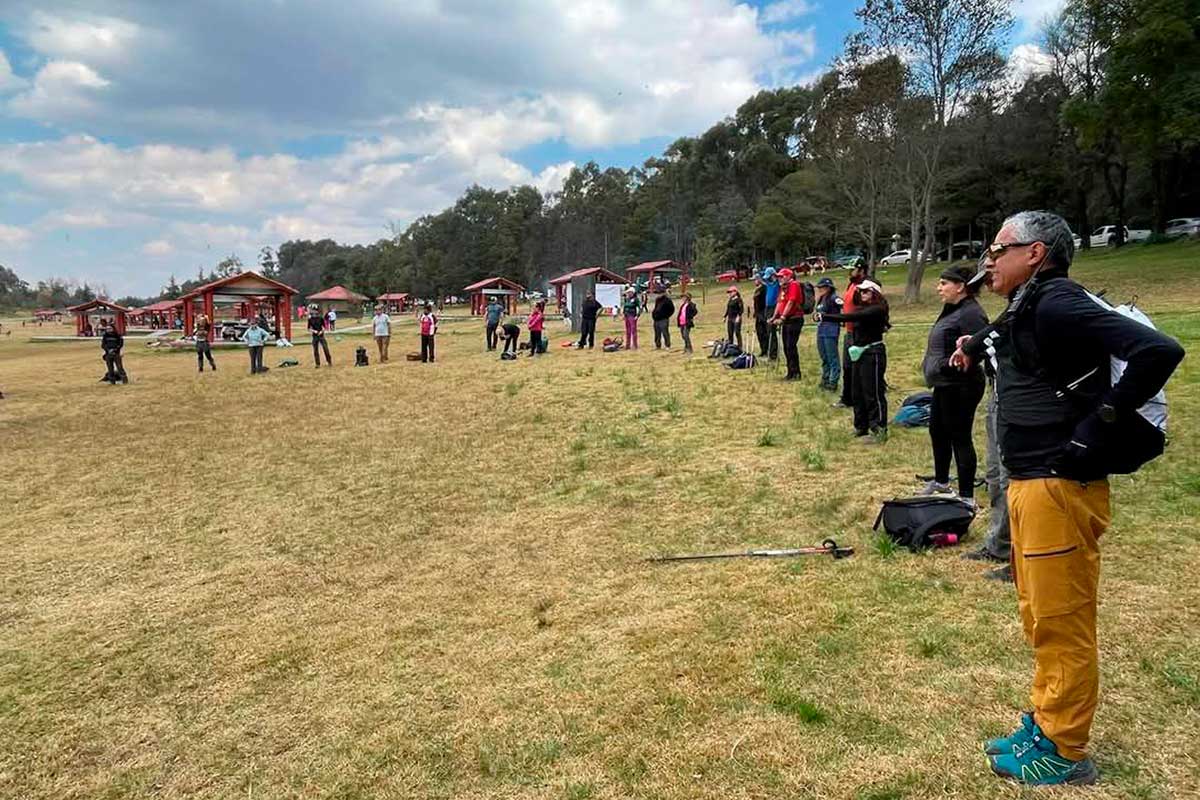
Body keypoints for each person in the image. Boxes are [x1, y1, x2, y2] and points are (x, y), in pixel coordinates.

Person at [952, 211, 1183, 786]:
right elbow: (1004, 335)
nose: (989, 258)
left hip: (1058, 483)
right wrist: (972, 341)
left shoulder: (1057, 300)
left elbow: (1159, 351)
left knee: (1063, 621)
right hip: (1032, 482)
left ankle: (1064, 747)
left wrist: (1099, 422)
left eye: (999, 248)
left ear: (1035, 253)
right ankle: (1045, 720)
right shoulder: (1028, 305)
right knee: (1038, 615)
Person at [919, 264, 989, 498]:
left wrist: (950, 364)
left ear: (960, 287)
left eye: (944, 283)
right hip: (944, 384)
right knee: (937, 431)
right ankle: (941, 483)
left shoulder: (971, 312)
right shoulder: (952, 308)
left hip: (961, 386)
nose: (939, 288)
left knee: (960, 438)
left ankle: (966, 497)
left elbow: (982, 346)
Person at [819, 280, 889, 443]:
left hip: (873, 353)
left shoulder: (877, 309)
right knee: (857, 391)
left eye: (866, 291)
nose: (862, 294)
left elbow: (852, 316)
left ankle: (878, 429)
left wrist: (826, 316)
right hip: (858, 352)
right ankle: (861, 427)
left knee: (873, 392)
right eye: (861, 292)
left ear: (875, 293)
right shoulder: (862, 308)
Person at [836, 264, 868, 408]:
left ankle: (858, 398)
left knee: (857, 368)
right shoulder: (851, 285)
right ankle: (847, 397)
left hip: (858, 333)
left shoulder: (864, 287)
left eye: (853, 270)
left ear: (861, 271)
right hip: (849, 331)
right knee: (847, 367)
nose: (851, 272)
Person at [769, 268, 805, 381]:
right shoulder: (783, 288)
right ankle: (790, 372)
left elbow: (791, 302)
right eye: (779, 277)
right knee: (786, 347)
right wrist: (774, 317)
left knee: (791, 346)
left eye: (782, 276)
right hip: (786, 320)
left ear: (789, 276)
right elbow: (780, 303)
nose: (780, 278)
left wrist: (783, 317)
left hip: (794, 318)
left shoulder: (794, 285)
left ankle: (796, 373)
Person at [814, 277, 841, 391]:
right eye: (819, 287)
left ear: (828, 288)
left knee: (832, 357)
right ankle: (825, 378)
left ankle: (833, 381)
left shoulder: (834, 298)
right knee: (824, 356)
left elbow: (842, 310)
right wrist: (815, 317)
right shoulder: (821, 299)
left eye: (822, 287)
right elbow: (818, 312)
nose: (820, 289)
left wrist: (826, 316)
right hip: (821, 330)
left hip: (831, 330)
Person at [99, 319, 128, 384]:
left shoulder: (117, 336)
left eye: (110, 328)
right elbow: (103, 345)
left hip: (116, 353)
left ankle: (124, 380)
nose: (108, 330)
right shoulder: (105, 336)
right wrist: (108, 350)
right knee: (110, 368)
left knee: (120, 367)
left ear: (113, 328)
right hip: (108, 354)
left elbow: (120, 344)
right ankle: (112, 381)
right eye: (107, 329)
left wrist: (115, 349)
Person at [761, 267, 779, 360]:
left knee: (772, 331)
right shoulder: (768, 284)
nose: (767, 279)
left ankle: (774, 354)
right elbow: (761, 278)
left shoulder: (777, 284)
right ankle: (770, 352)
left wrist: (776, 277)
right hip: (767, 308)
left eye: (769, 277)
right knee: (768, 331)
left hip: (774, 307)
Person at [751, 274, 769, 356]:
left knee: (764, 332)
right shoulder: (757, 290)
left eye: (755, 280)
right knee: (759, 332)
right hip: (758, 314)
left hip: (763, 312)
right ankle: (763, 350)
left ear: (759, 279)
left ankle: (767, 349)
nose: (754, 281)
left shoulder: (764, 288)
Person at [723, 286, 744, 351]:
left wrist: (738, 317)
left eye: (730, 292)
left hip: (736, 318)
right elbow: (728, 309)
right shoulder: (730, 300)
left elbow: (741, 310)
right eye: (729, 292)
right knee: (730, 332)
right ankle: (730, 347)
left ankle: (740, 347)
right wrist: (725, 316)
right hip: (730, 318)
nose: (729, 294)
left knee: (737, 332)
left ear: (735, 292)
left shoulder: (739, 300)